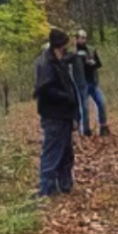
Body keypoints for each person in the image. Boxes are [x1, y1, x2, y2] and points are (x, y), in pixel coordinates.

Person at [33, 27, 80, 197]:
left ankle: (64, 184)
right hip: (53, 115)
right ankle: (46, 188)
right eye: (65, 45)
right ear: (59, 46)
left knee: (66, 152)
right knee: (52, 151)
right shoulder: (46, 64)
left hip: (65, 114)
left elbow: (71, 60)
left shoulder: (60, 60)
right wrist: (66, 97)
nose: (67, 48)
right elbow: (45, 90)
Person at [72, 30, 110, 137]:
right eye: (81, 37)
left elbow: (98, 64)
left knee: (101, 102)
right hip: (81, 84)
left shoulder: (91, 50)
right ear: (77, 39)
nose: (83, 39)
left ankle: (103, 126)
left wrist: (91, 63)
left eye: (85, 37)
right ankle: (85, 130)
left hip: (92, 82)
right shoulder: (73, 53)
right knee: (84, 108)